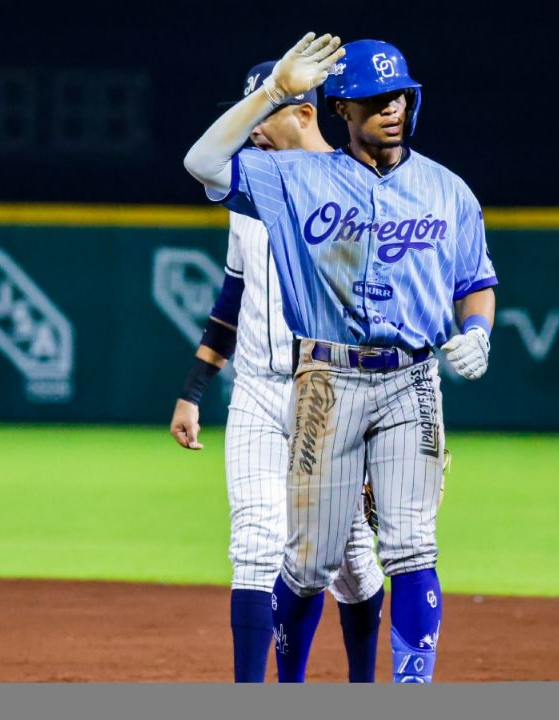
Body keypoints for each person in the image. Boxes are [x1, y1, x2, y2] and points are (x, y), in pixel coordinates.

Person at [184, 34, 497, 683]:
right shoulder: (292, 179)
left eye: (399, 96)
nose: (390, 109)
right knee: (308, 563)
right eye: (372, 100)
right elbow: (203, 161)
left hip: (413, 379)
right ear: (340, 112)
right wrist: (273, 92)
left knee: (412, 546)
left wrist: (478, 330)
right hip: (327, 383)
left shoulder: (449, 190)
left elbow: (476, 281)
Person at [169, 60, 385, 683]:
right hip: (259, 393)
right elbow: (232, 298)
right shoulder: (248, 193)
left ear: (304, 113)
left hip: (336, 393)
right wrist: (193, 390)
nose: (251, 132)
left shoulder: (361, 188)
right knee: (255, 546)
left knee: (348, 563)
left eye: (261, 117)